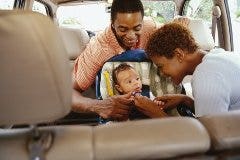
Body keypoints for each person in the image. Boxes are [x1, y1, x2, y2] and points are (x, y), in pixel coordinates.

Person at [72, 0, 187, 121]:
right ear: (112, 25)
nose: (131, 36)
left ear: (142, 23)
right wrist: (99, 106)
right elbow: (70, 93)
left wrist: (179, 24)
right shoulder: (99, 50)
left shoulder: (150, 28)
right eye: (123, 29)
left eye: (137, 28)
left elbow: (171, 37)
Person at [144, 22, 240, 117]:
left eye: (160, 66)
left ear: (179, 55)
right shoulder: (218, 56)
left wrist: (155, 112)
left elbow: (209, 131)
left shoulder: (206, 75)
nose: (161, 73)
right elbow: (214, 115)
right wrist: (186, 100)